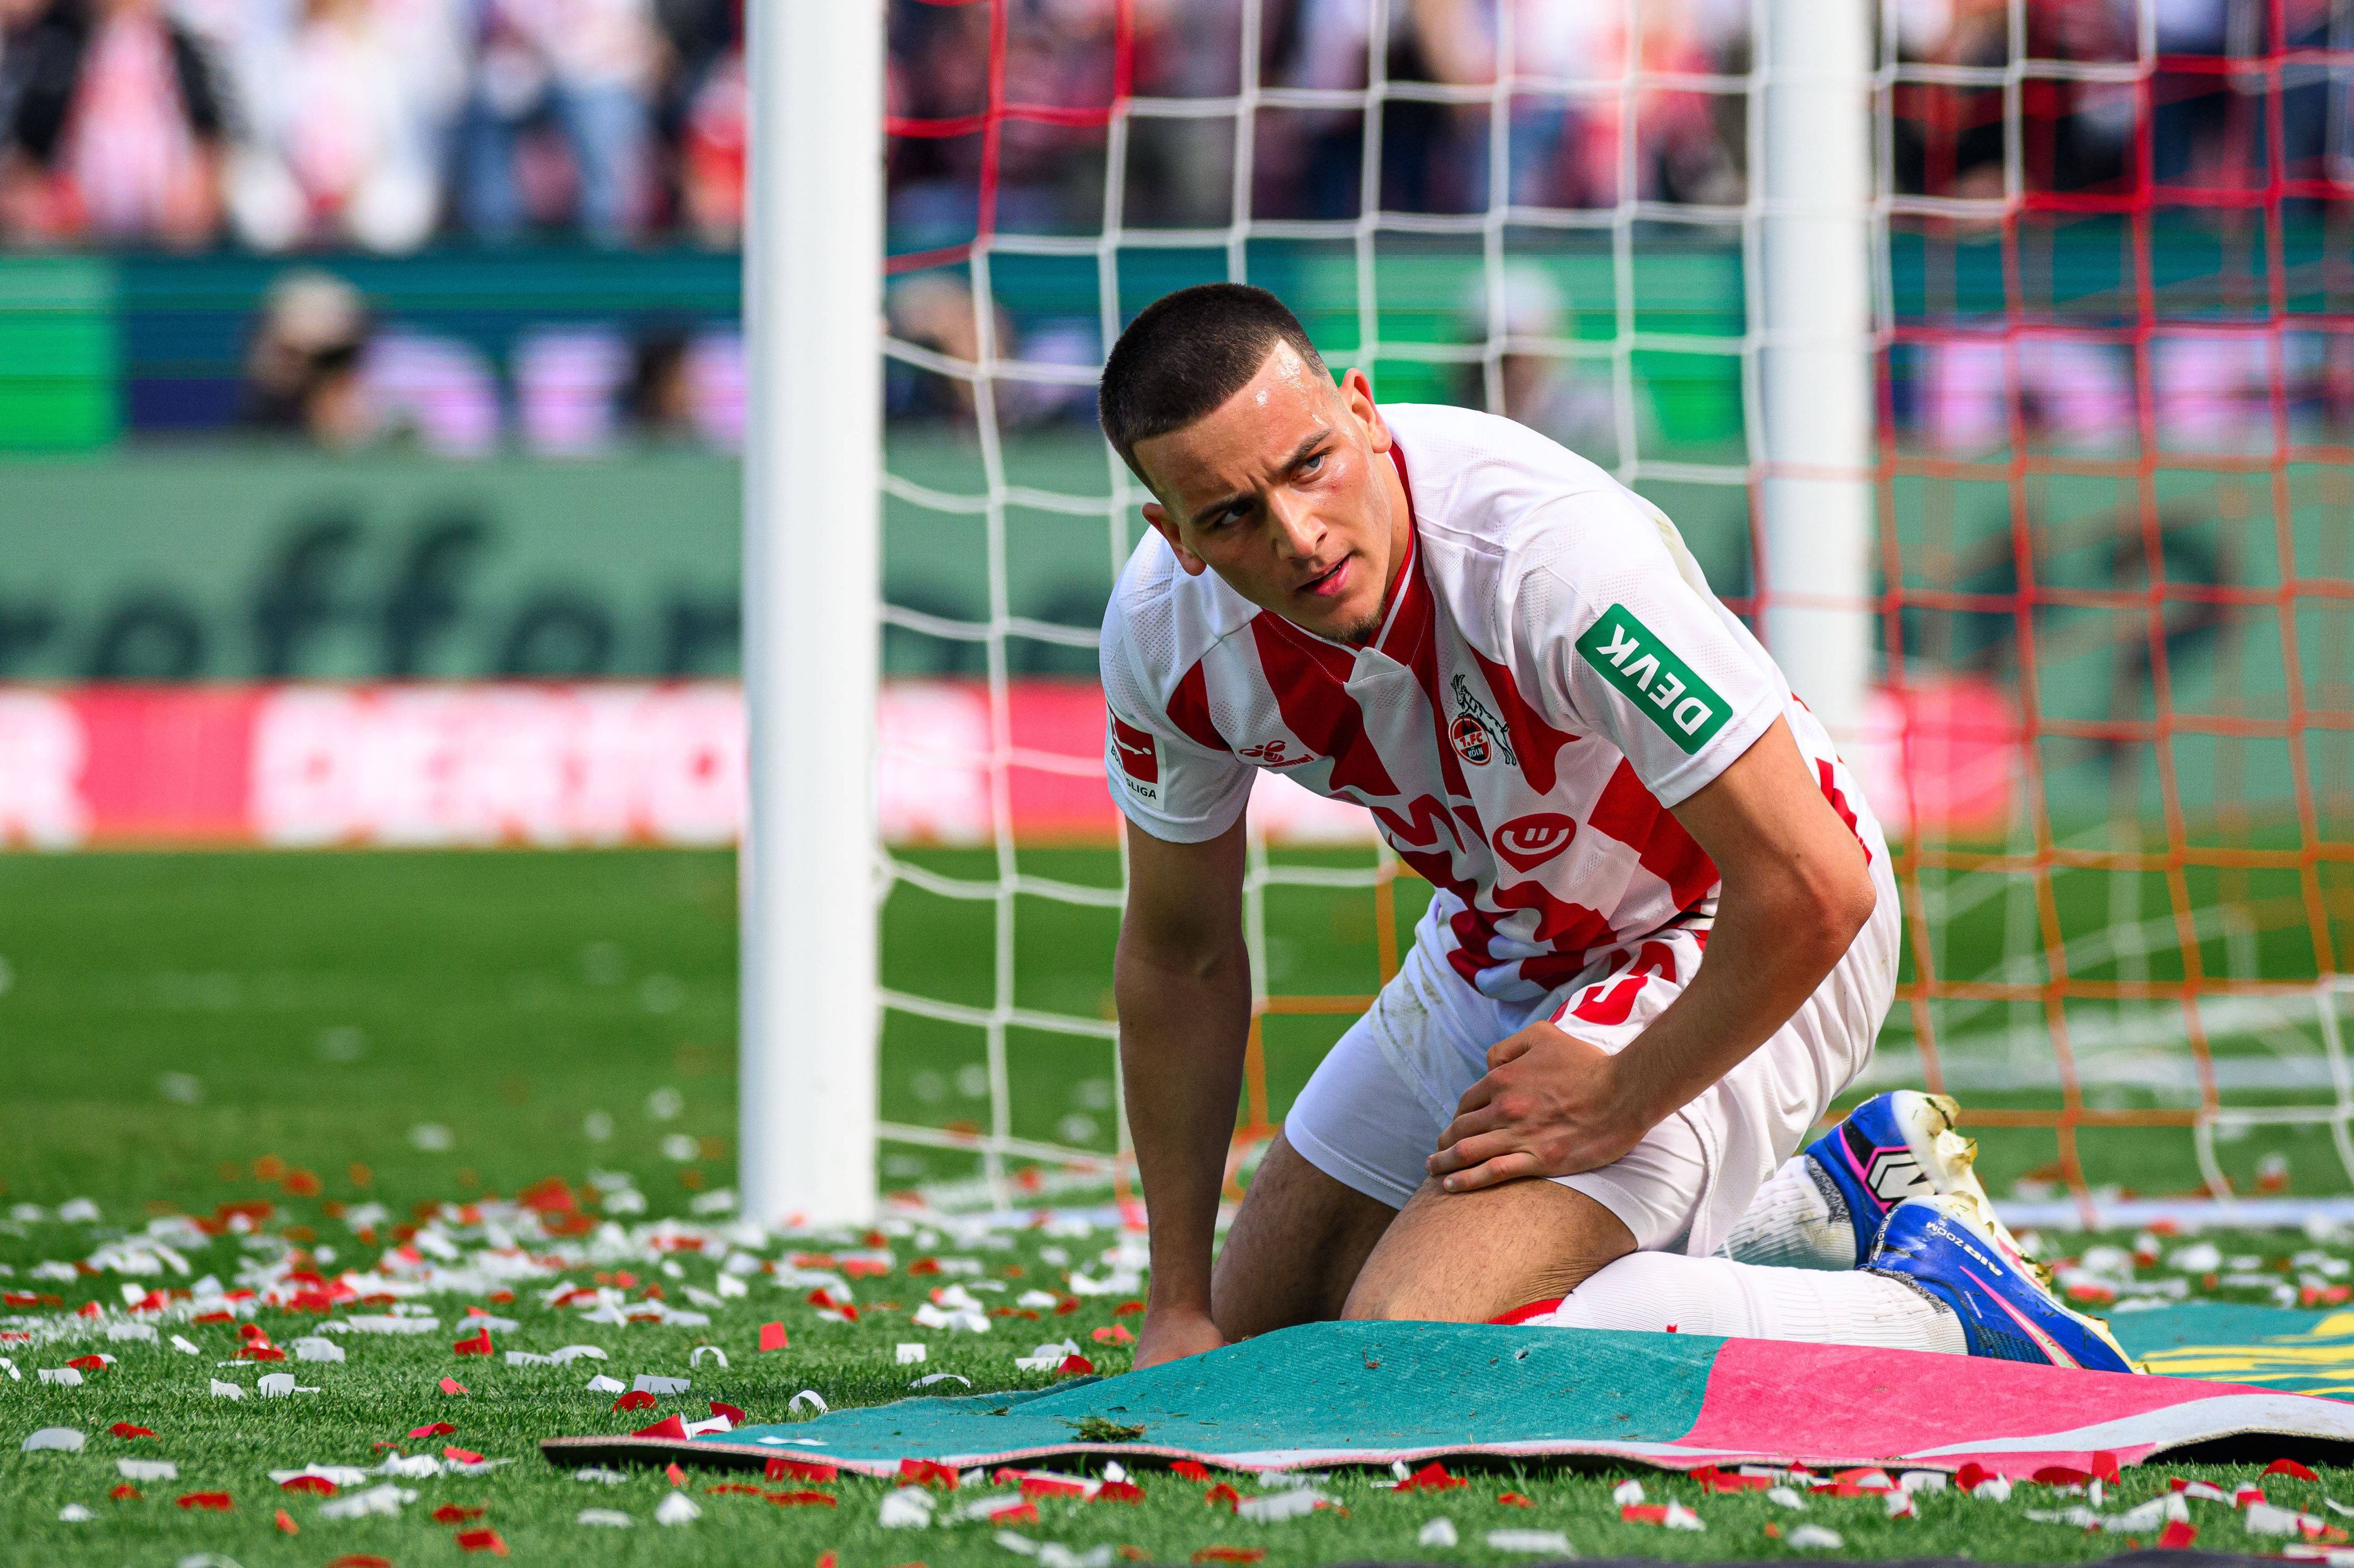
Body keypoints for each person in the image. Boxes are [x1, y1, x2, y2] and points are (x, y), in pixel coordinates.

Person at [1098, 282, 2136, 1372]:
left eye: (1311, 464)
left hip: (1731, 917)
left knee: (1406, 1341)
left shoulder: (1543, 558)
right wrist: (1177, 1303)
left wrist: (1621, 1095)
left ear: (1362, 412)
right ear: (1177, 536)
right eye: (1231, 515)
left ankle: (1942, 1306)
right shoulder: (1164, 639)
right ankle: (1817, 1209)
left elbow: (1816, 881)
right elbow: (1181, 954)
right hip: (1501, 943)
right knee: (1256, 1346)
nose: (1299, 534)